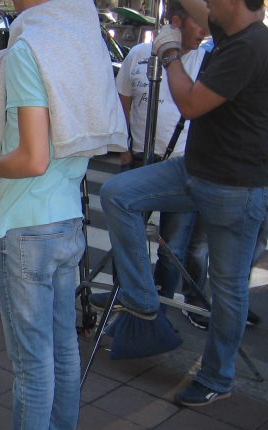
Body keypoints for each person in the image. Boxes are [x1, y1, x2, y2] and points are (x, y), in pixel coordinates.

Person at [90, 0, 268, 407]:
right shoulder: (234, 30)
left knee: (227, 288)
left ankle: (217, 376)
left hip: (234, 187)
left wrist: (170, 53)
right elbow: (194, 7)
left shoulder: (250, 46)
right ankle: (142, 301)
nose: (206, 7)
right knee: (118, 194)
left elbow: (190, 102)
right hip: (194, 169)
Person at [0, 0, 127, 426]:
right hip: (67, 221)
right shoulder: (81, 45)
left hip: (25, 227)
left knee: (33, 367)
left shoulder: (29, 49)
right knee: (64, 352)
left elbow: (33, 158)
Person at [114, 0, 208, 304]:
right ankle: (124, 299)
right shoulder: (140, 54)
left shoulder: (207, 61)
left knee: (173, 249)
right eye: (198, 22)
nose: (205, 30)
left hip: (181, 165)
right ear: (176, 22)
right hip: (139, 160)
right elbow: (122, 99)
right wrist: (124, 149)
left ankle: (161, 307)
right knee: (127, 241)